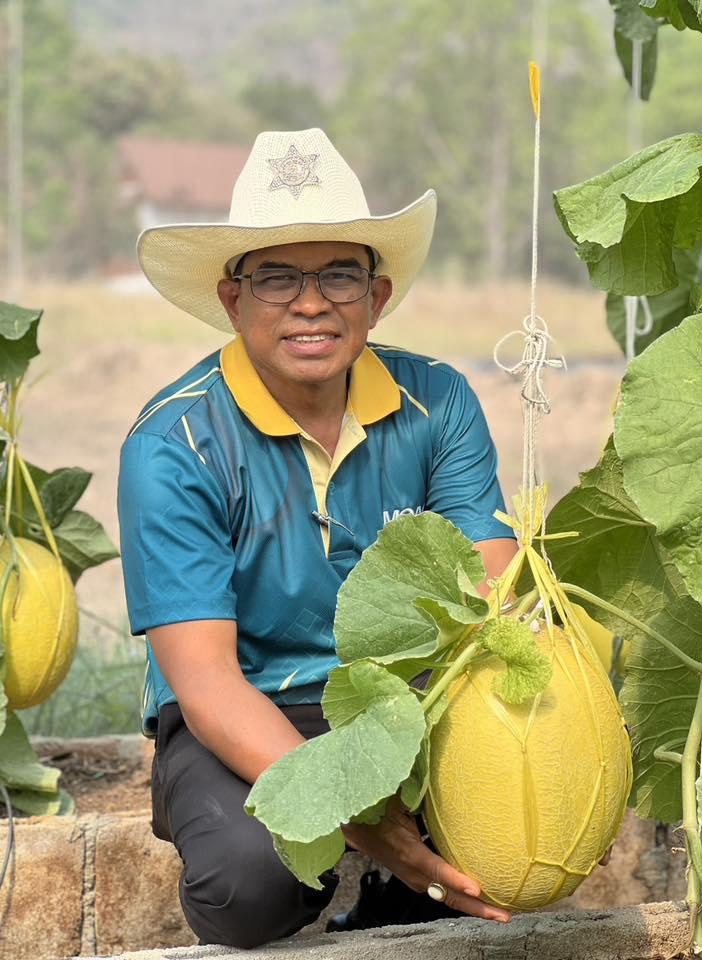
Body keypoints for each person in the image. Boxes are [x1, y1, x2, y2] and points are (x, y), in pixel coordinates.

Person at [117, 128, 518, 949]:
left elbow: (491, 600)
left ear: (377, 295)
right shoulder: (172, 444)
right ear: (233, 301)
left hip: (409, 703)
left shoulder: (437, 402)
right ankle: (330, 885)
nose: (311, 303)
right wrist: (364, 822)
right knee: (249, 886)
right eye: (277, 278)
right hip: (245, 708)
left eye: (340, 274)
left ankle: (393, 907)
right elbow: (209, 687)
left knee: (513, 841)